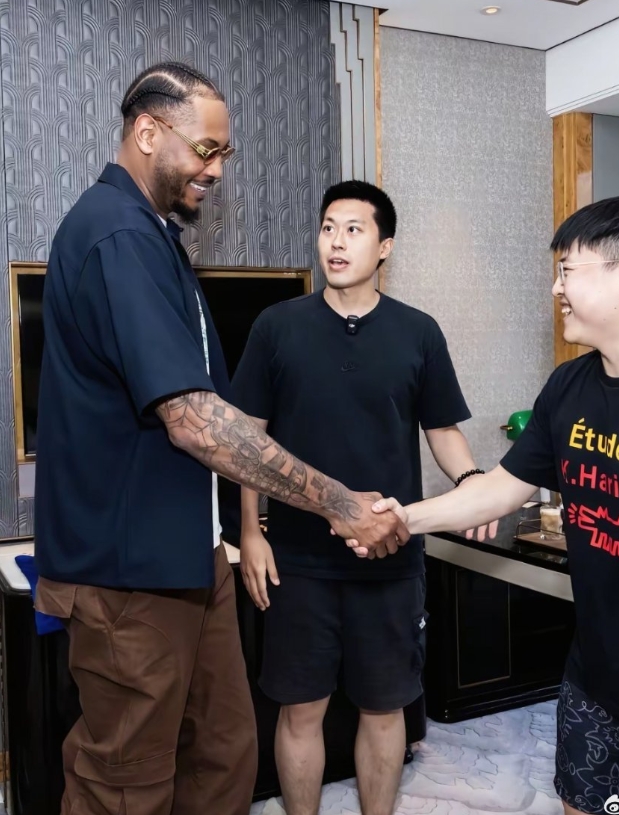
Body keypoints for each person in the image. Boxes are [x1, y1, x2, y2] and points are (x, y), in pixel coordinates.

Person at [32, 63, 406, 815]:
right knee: (126, 783)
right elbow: (194, 418)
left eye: (224, 155)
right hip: (129, 572)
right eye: (206, 150)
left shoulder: (154, 236)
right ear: (148, 132)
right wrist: (339, 503)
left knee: (224, 751)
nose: (216, 171)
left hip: (187, 558)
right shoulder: (118, 235)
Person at [368, 195, 619, 815]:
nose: (555, 287)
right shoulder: (570, 385)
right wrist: (405, 517)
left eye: (568, 270)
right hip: (595, 678)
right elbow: (501, 488)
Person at [231, 180, 494, 815]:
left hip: (390, 556)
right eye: (328, 227)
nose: (337, 241)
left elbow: (442, 431)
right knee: (301, 711)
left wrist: (473, 481)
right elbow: (245, 441)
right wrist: (251, 532)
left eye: (353, 229)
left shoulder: (418, 332)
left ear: (385, 247)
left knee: (384, 708)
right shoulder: (277, 327)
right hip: (298, 559)